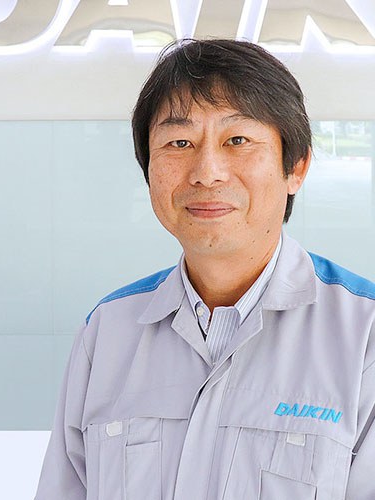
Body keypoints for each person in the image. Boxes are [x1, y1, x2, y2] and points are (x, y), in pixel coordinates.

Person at [34, 39, 375, 499]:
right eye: (179, 143)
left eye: (238, 140)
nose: (207, 172)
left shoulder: (364, 336)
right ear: (148, 170)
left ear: (296, 166)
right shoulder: (107, 331)